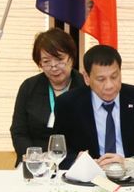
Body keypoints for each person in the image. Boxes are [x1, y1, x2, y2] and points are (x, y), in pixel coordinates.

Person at [53, 44, 134, 170]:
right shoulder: (68, 103)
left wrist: (130, 164)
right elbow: (58, 152)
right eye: (101, 79)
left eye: (114, 77)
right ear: (87, 78)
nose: (109, 85)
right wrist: (77, 162)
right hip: (90, 179)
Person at [10, 28, 85, 167]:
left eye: (60, 59)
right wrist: (34, 157)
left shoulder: (85, 87)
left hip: (75, 165)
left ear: (71, 58)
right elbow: (18, 131)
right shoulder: (29, 87)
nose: (54, 67)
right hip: (34, 163)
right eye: (46, 61)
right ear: (39, 64)